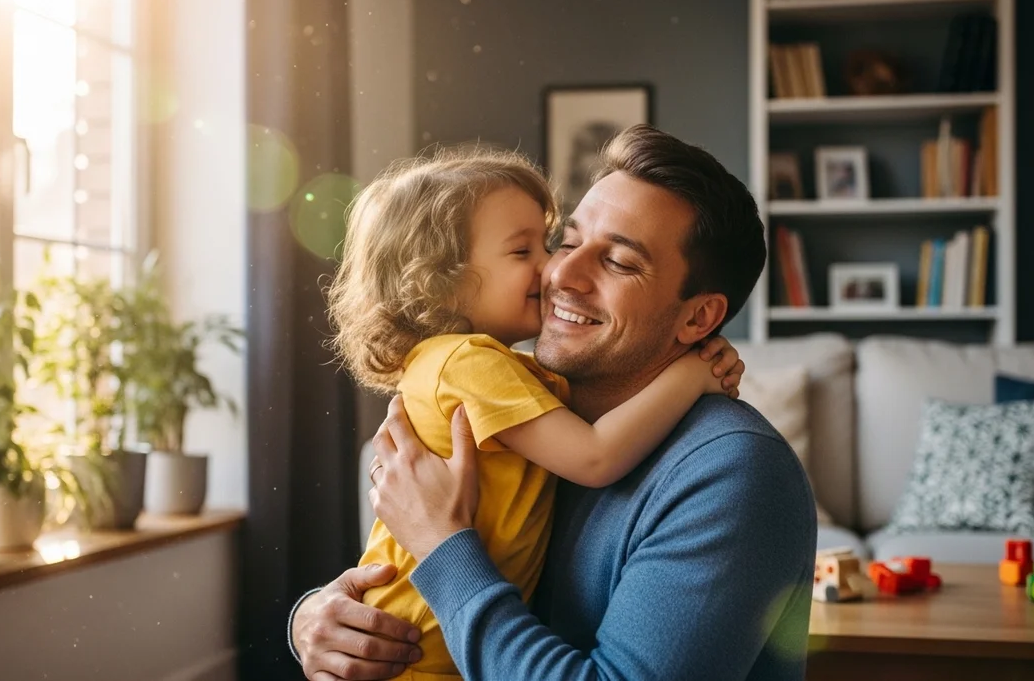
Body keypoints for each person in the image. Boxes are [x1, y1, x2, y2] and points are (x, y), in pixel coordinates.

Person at [293, 125, 818, 680]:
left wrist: (443, 547)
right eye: (567, 242)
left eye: (617, 261)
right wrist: (316, 621)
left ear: (698, 318)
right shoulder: (521, 414)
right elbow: (401, 579)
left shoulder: (732, 474)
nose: (560, 273)